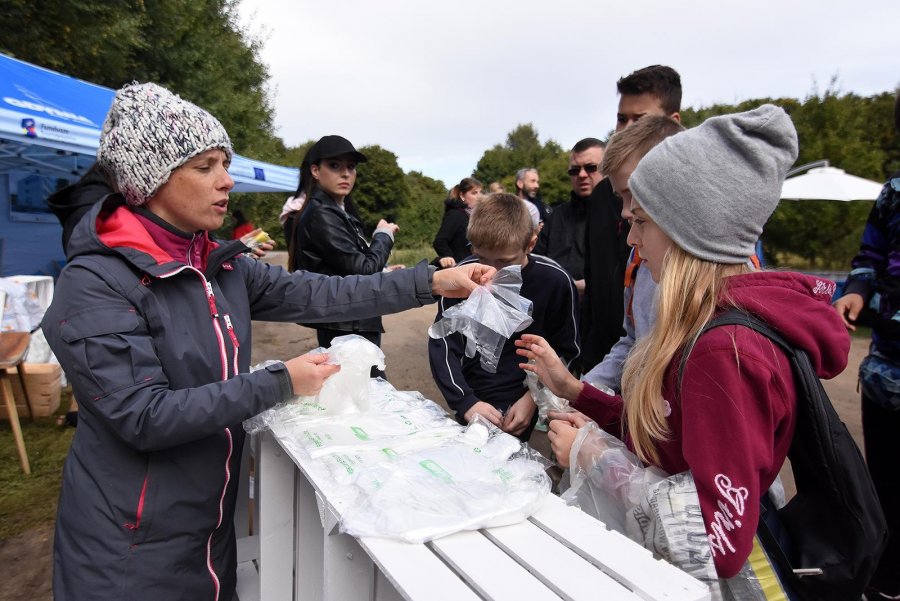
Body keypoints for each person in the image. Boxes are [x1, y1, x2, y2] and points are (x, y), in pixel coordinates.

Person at [41, 82, 492, 601]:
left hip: (207, 530)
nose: (227, 181)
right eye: (205, 166)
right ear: (151, 178)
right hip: (128, 549)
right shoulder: (97, 281)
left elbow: (319, 293)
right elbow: (144, 415)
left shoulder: (215, 263)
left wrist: (428, 281)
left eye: (224, 164)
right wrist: (280, 382)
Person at [516, 105, 850, 588]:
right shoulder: (708, 327)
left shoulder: (724, 351)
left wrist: (591, 453)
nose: (631, 238)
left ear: (689, 231)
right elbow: (674, 437)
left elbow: (716, 544)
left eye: (642, 220)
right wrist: (577, 391)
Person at [429, 193, 580, 442]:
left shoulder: (555, 281)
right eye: (482, 258)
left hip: (523, 399)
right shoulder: (462, 277)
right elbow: (442, 345)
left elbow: (568, 351)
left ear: (531, 243)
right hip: (472, 397)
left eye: (505, 262)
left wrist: (534, 397)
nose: (489, 273)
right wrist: (465, 401)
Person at [833, 91, 900, 600]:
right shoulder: (893, 193)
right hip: (885, 378)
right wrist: (855, 290)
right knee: (884, 488)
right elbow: (870, 256)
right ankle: (884, 582)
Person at [580, 65, 682, 373]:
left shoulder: (708, 250)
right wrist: (587, 387)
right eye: (622, 119)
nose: (626, 129)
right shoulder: (600, 196)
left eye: (641, 120)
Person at [288, 135, 400, 361]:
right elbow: (364, 269)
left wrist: (385, 271)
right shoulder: (322, 213)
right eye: (334, 165)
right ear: (315, 171)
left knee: (362, 390)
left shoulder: (336, 210)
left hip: (349, 319)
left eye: (351, 167)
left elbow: (344, 264)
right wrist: (383, 236)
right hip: (347, 323)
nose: (346, 173)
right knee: (364, 390)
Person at [534, 138, 605, 296]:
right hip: (557, 306)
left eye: (591, 168)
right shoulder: (556, 215)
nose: (581, 175)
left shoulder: (620, 215)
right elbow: (537, 258)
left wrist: (592, 284)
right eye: (574, 170)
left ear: (607, 168)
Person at [431, 177, 482, 269]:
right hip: (460, 268)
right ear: (462, 196)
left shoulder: (473, 216)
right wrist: (450, 260)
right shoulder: (456, 214)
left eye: (480, 192)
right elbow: (440, 241)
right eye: (474, 193)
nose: (479, 196)